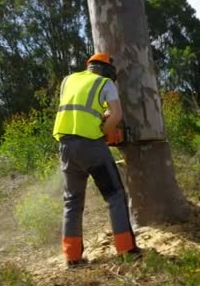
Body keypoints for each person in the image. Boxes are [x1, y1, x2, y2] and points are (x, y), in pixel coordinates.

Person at [52, 52, 141, 268]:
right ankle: (126, 250)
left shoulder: (69, 80)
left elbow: (78, 111)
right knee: (115, 195)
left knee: (72, 201)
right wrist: (105, 130)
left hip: (65, 144)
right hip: (91, 145)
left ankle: (72, 258)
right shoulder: (105, 83)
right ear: (108, 71)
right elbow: (116, 115)